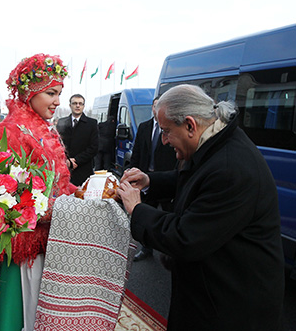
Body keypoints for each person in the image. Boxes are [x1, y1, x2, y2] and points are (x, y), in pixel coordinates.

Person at [117, 84, 285, 330]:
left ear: (189, 125)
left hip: (229, 308)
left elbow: (185, 238)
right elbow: (195, 180)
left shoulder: (231, 168)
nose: (163, 141)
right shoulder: (217, 143)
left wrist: (137, 209)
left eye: (165, 131)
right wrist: (150, 181)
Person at [0, 53, 77, 331]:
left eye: (59, 93)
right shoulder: (11, 131)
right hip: (24, 247)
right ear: (31, 91)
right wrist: (66, 207)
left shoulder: (42, 128)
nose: (57, 101)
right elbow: (7, 198)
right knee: (23, 316)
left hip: (47, 240)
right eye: (51, 93)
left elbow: (56, 182)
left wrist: (80, 192)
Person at [127, 97, 176, 261]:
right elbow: (137, 151)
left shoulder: (172, 129)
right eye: (155, 106)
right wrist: (133, 172)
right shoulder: (144, 127)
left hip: (166, 179)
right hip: (145, 179)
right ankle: (146, 249)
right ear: (153, 108)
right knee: (146, 212)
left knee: (170, 215)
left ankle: (170, 251)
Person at [57, 94, 99, 186]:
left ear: (84, 106)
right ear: (70, 105)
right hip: (65, 168)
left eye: (80, 103)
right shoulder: (61, 122)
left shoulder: (92, 123)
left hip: (84, 169)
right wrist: (67, 161)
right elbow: (57, 144)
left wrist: (76, 160)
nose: (77, 106)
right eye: (75, 103)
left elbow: (94, 147)